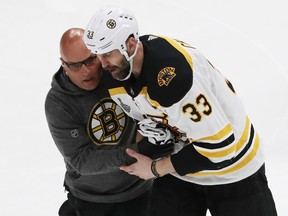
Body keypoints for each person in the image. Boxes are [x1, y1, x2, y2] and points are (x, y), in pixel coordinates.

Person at [83, 6, 278, 216]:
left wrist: (154, 169)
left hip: (233, 170)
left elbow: (220, 149)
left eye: (107, 53)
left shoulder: (173, 80)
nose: (101, 64)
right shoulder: (121, 69)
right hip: (182, 171)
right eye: (98, 54)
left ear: (131, 44)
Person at [45, 28, 171, 216]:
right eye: (75, 65)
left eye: (90, 60)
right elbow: (82, 160)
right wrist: (139, 151)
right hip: (91, 200)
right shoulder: (58, 102)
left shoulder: (116, 73)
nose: (86, 71)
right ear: (63, 64)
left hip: (140, 190)